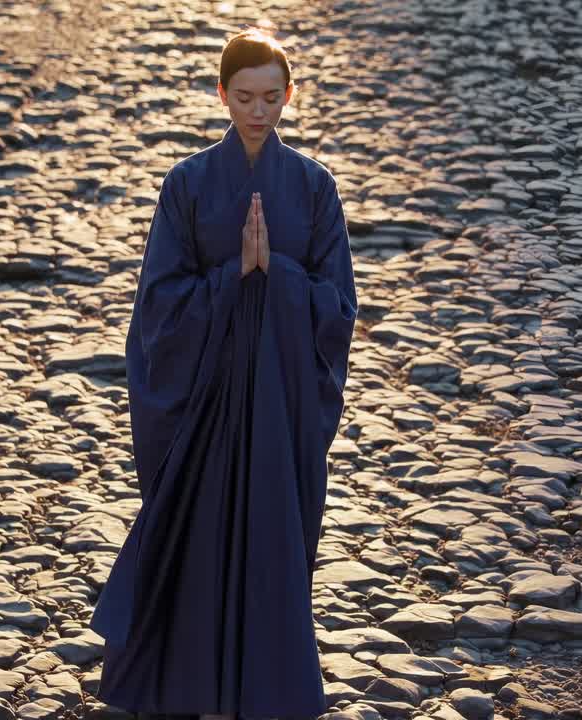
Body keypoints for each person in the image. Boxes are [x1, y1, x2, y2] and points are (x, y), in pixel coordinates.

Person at [86, 26, 359, 720]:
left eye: (271, 97)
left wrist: (279, 271)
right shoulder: (187, 184)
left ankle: (266, 687)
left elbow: (339, 307)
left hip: (280, 393)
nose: (258, 112)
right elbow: (157, 304)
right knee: (196, 537)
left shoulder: (314, 187)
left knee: (276, 536)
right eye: (244, 97)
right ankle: (193, 687)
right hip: (204, 393)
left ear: (290, 95)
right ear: (222, 95)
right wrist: (231, 277)